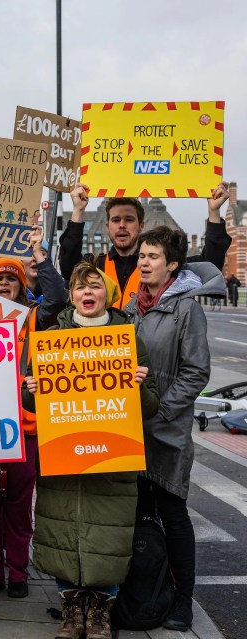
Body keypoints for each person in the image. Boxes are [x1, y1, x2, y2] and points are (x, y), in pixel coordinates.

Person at [24, 261, 160, 639]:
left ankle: (100, 611)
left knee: (108, 539)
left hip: (112, 461)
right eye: (80, 287)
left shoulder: (129, 339)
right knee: (63, 536)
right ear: (71, 295)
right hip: (64, 461)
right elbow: (34, 404)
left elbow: (150, 408)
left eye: (95, 287)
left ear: (108, 295)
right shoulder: (52, 338)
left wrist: (137, 386)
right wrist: (31, 390)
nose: (88, 293)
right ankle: (71, 609)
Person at [123, 226, 225, 632]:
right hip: (130, 431)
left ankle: (183, 599)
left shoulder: (186, 309)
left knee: (173, 514)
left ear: (172, 266)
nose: (143, 263)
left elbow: (196, 371)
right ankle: (142, 594)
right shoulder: (131, 308)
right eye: (142, 257)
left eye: (152, 257)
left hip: (165, 431)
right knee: (135, 515)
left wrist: (160, 410)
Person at [0, 227, 66, 600]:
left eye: (12, 279)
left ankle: (18, 574)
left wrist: (40, 254)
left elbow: (57, 296)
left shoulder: (34, 318)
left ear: (22, 285)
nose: (5, 284)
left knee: (19, 510)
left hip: (24, 432)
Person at [59, 182, 231, 308]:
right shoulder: (95, 265)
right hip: (110, 353)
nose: (121, 225)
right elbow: (68, 267)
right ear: (107, 227)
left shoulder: (163, 266)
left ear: (141, 225)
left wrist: (214, 212)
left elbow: (210, 264)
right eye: (116, 220)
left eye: (129, 220)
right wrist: (78, 211)